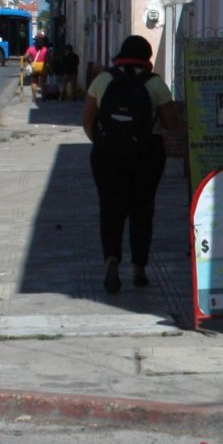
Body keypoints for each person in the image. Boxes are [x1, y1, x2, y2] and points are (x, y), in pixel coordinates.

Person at [81, 35, 180, 294]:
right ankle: (139, 269)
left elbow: (87, 121)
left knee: (110, 209)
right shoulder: (155, 83)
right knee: (142, 210)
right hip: (145, 156)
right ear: (147, 57)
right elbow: (171, 124)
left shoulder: (103, 79)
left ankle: (111, 259)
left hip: (106, 158)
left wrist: (104, 143)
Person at [24, 35, 49, 103]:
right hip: (42, 66)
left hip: (34, 66)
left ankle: (34, 97)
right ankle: (43, 97)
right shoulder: (45, 49)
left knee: (33, 82)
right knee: (43, 83)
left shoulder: (31, 48)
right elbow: (47, 59)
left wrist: (30, 62)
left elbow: (25, 57)